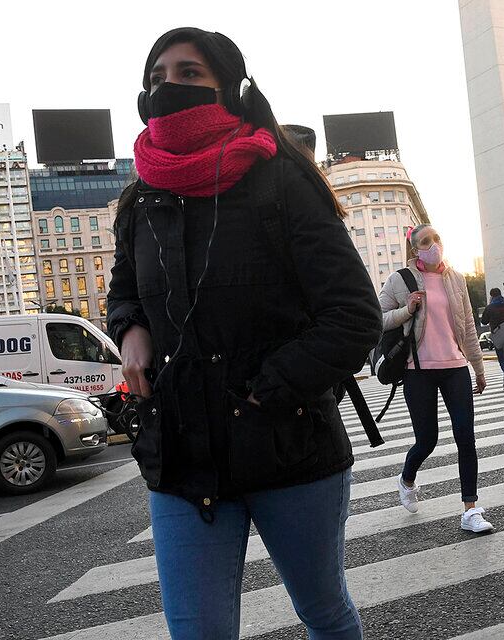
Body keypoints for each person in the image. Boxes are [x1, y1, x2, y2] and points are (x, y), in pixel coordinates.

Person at [106, 28, 381, 640]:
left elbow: (354, 315)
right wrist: (130, 332)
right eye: (157, 78)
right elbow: (123, 292)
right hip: (182, 455)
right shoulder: (140, 199)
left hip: (288, 442)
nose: (168, 88)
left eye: (188, 74)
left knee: (325, 614)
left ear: (231, 89)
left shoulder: (283, 180)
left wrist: (267, 388)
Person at [378, 224, 493, 533]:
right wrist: (406, 309)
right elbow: (377, 318)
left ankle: (470, 509)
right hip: (418, 372)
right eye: (425, 242)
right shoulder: (399, 280)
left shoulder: (455, 278)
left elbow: (468, 325)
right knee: (426, 440)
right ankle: (407, 477)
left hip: (456, 367)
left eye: (436, 238)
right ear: (415, 249)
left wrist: (478, 369)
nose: (433, 245)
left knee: (465, 436)